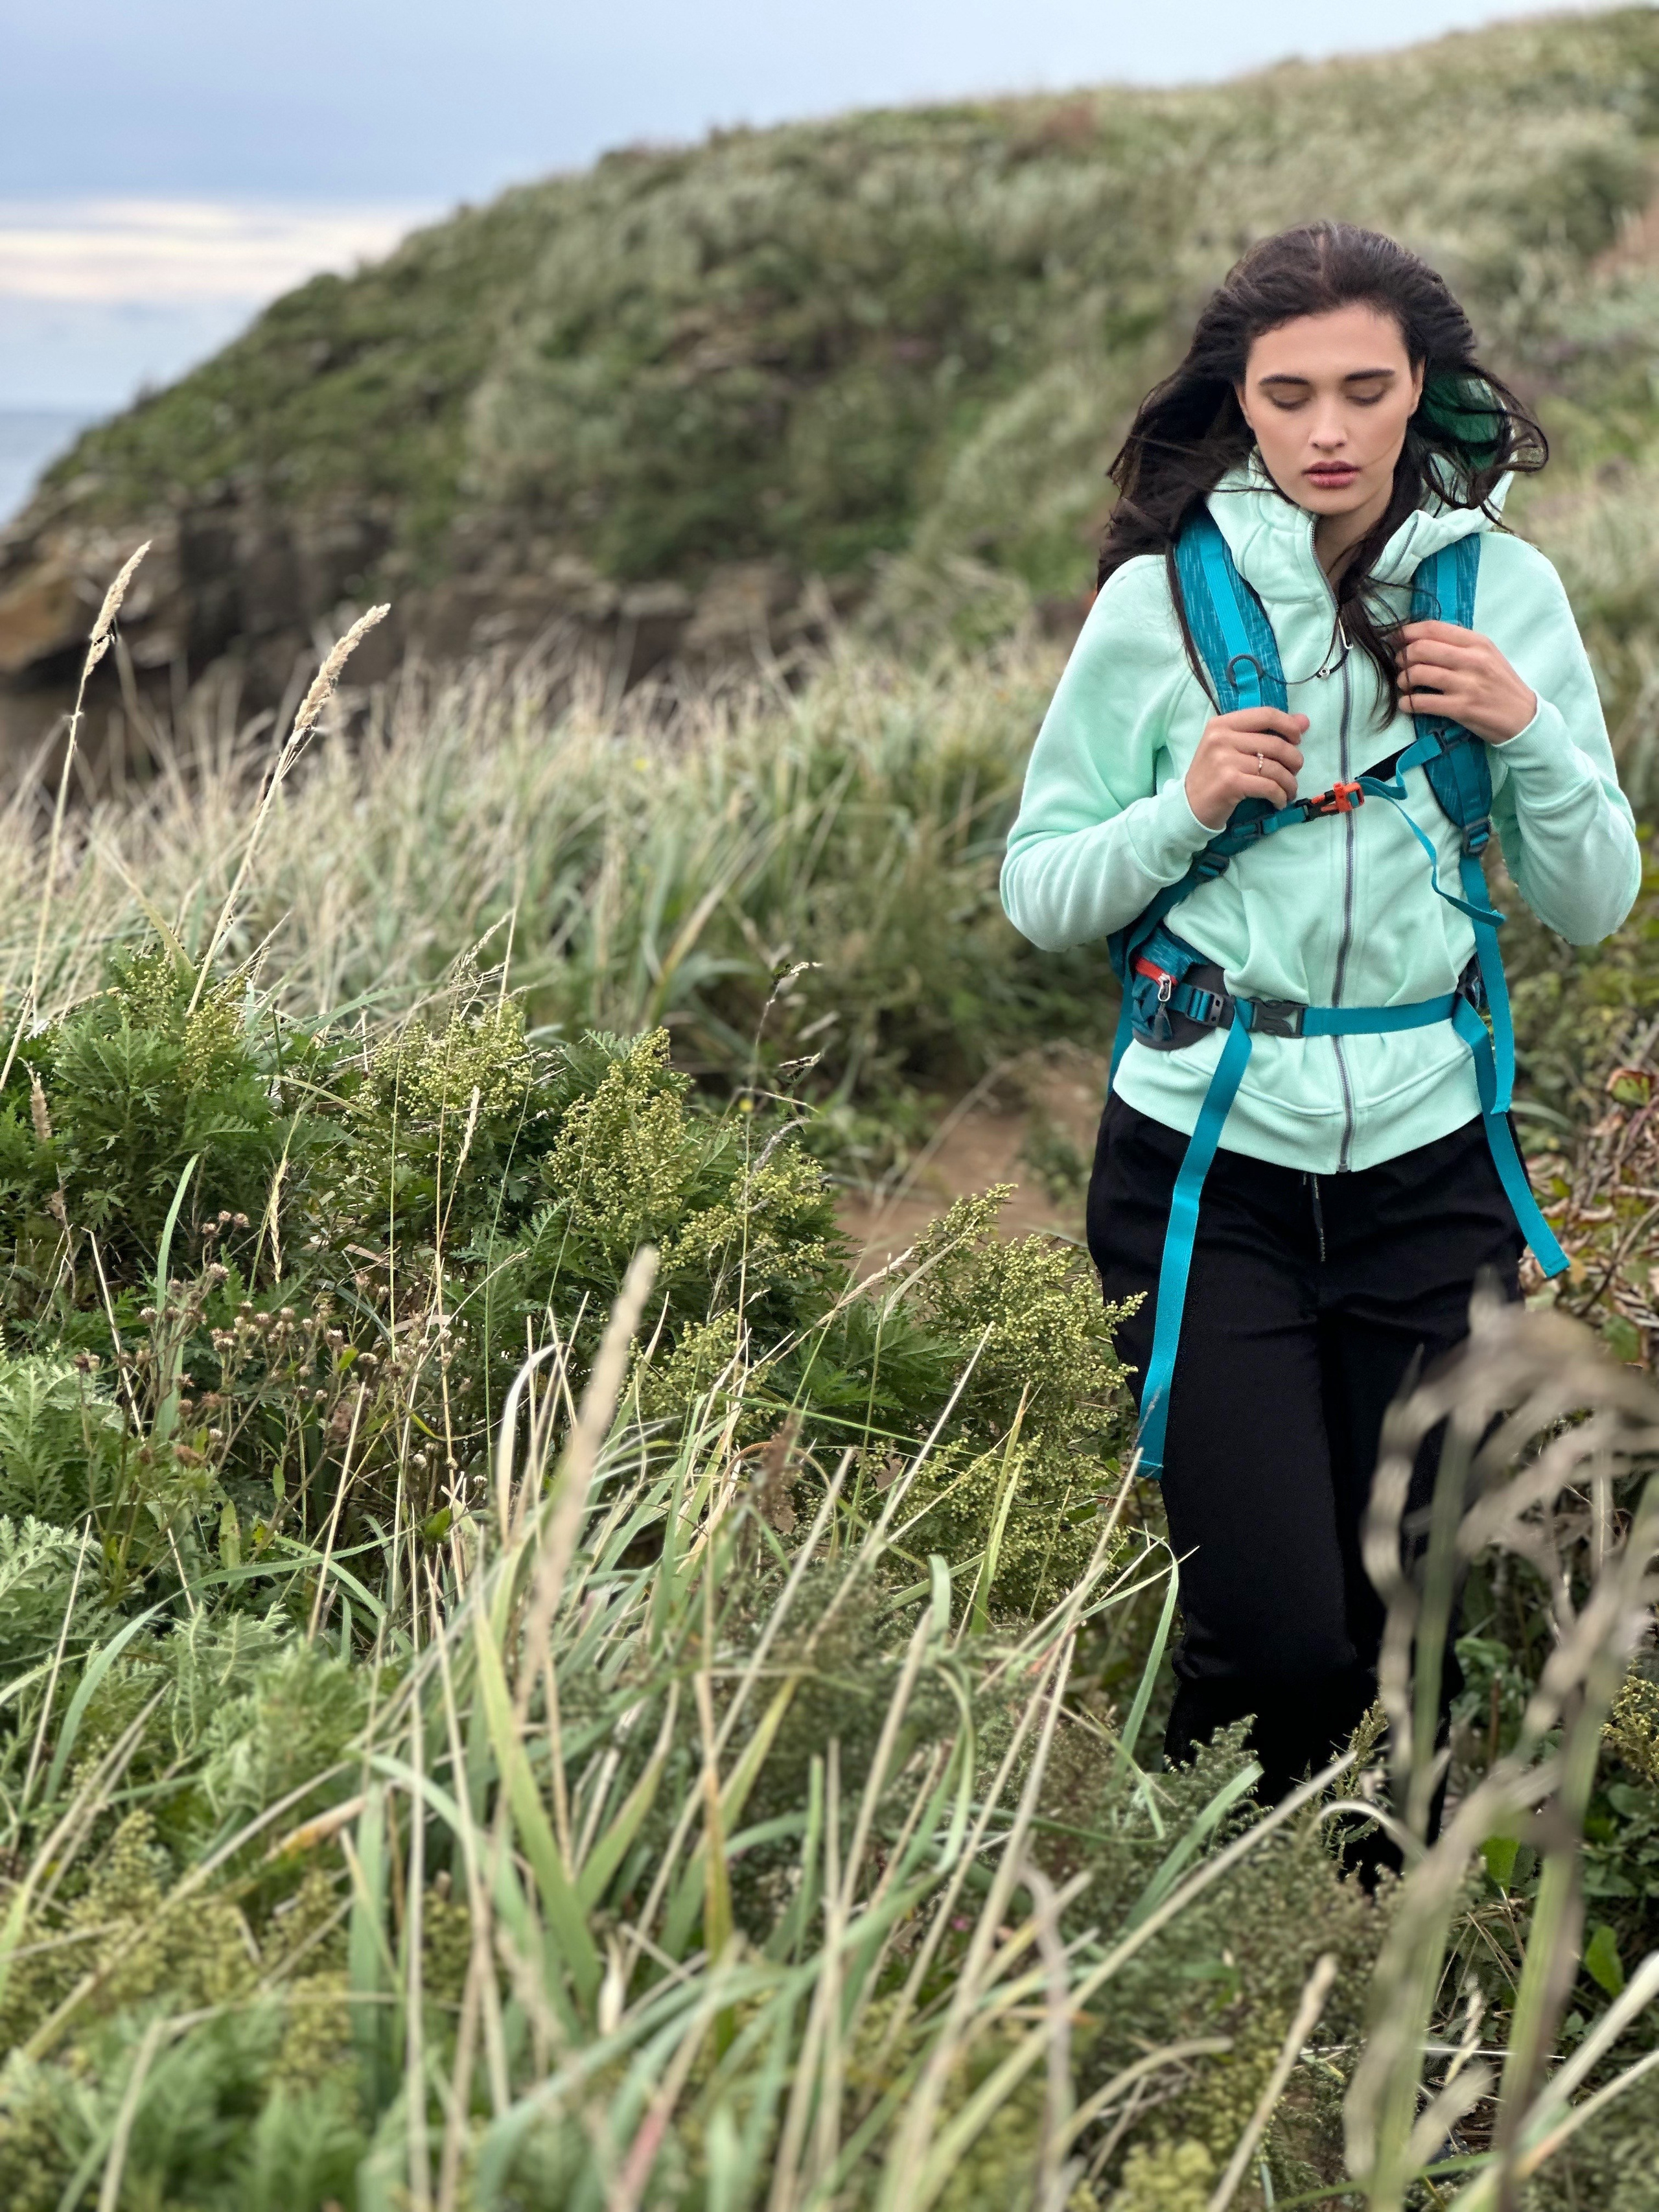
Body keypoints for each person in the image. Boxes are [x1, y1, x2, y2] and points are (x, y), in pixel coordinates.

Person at [1000, 221, 1639, 1836]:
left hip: (1431, 1173)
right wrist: (1181, 807)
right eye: (1287, 395)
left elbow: (1592, 903)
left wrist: (1525, 731)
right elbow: (1039, 890)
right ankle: (1184, 1924)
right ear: (1240, 397)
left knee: (1399, 1638)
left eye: (1364, 388)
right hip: (1205, 1173)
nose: (1328, 431)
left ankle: (1365, 1949)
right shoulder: (1158, 601)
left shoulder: (1505, 594)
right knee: (1273, 1638)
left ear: (1423, 386)